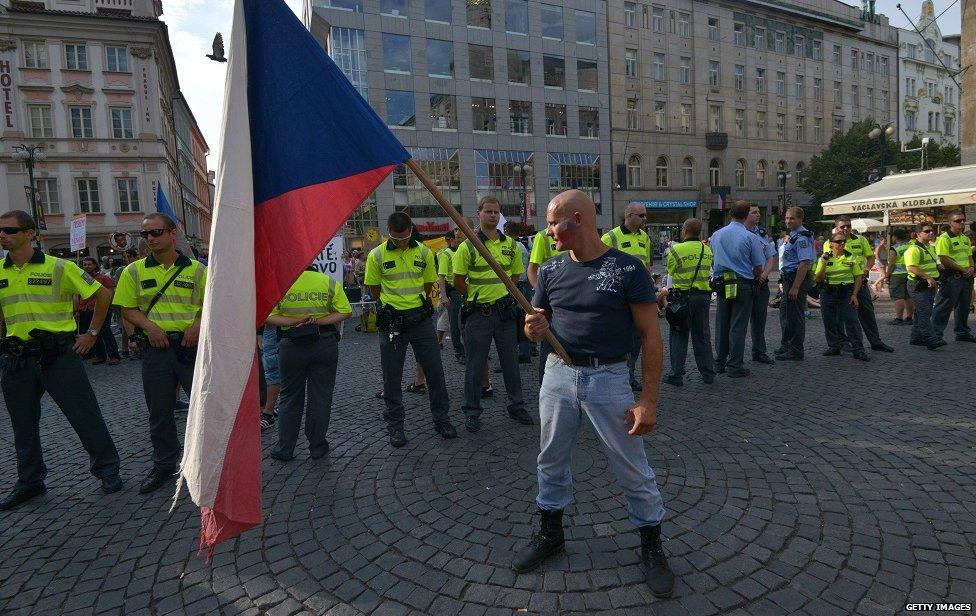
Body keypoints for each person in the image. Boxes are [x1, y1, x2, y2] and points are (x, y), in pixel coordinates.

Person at [515, 189, 674, 598]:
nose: (548, 230)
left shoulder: (626, 268)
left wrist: (649, 400)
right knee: (550, 458)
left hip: (609, 378)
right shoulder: (549, 270)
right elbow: (537, 323)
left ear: (579, 220)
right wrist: (532, 328)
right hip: (557, 375)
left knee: (630, 465)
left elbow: (651, 336)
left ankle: (651, 545)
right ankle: (551, 533)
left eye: (554, 222)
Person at [0, 211, 122, 510]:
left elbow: (103, 294)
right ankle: (30, 481)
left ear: (29, 234)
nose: (2, 235)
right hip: (17, 357)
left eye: (9, 230)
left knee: (84, 414)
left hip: (56, 354)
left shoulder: (59, 266)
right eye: (0, 230)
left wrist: (92, 333)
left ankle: (108, 470)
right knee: (22, 425)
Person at [114, 213, 207, 494]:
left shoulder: (197, 269)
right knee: (160, 410)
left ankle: (208, 461)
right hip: (156, 350)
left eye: (156, 232)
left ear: (172, 233)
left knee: (204, 408)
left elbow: (212, 303)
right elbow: (127, 308)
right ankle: (164, 464)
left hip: (191, 348)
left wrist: (196, 325)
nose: (151, 239)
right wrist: (149, 328)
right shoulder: (134, 271)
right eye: (146, 235)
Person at [365, 212, 456, 447]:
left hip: (420, 320)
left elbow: (428, 284)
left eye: (405, 238)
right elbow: (374, 289)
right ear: (388, 233)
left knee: (435, 372)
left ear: (411, 231)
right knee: (391, 377)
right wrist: (392, 305)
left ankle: (442, 420)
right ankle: (395, 426)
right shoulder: (376, 255)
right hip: (392, 323)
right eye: (396, 239)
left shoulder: (424, 252)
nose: (401, 242)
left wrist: (411, 303)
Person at [453, 197, 531, 433]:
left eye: (496, 212)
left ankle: (516, 406)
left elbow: (515, 276)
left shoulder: (511, 245)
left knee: (511, 363)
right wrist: (477, 296)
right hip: (480, 314)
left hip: (504, 313)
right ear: (479, 213)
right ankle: (472, 411)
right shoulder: (468, 246)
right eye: (488, 211)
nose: (493, 216)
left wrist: (502, 295)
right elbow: (457, 281)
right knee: (475, 365)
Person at [265, 265, 352, 461]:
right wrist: (319, 321)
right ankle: (317, 447)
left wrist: (293, 321)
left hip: (291, 345)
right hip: (324, 342)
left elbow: (267, 317)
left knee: (289, 397)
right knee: (320, 396)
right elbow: (345, 312)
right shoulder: (327, 282)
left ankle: (285, 448)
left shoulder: (281, 284)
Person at [710, 202, 766, 378]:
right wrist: (757, 276)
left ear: (730, 214)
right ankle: (735, 365)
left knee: (722, 323)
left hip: (722, 283)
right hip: (742, 283)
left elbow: (713, 258)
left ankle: (719, 362)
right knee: (738, 325)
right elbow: (758, 265)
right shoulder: (750, 237)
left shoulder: (716, 235)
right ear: (746, 215)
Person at [601, 202, 653, 391]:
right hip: (618, 297)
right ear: (629, 215)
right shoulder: (610, 237)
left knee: (637, 338)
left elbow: (647, 266)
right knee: (619, 337)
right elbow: (602, 267)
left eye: (645, 215)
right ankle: (616, 376)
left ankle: (629, 375)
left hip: (638, 296)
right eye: (641, 216)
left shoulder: (644, 237)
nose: (645, 219)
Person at [827, 215, 894, 353]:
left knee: (867, 313)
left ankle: (875, 341)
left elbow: (870, 257)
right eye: (842, 226)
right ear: (836, 228)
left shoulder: (861, 239)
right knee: (842, 316)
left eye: (848, 226)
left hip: (860, 282)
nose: (846, 228)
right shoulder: (832, 241)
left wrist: (866, 269)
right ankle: (844, 342)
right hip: (842, 284)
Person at [663, 218, 715, 386]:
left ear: (684, 230)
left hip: (682, 298)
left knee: (679, 334)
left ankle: (676, 375)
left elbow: (671, 271)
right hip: (702, 297)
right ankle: (708, 373)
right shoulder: (706, 249)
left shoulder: (676, 249)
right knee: (702, 335)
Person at [814, 232, 870, 361]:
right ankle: (834, 346)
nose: (842, 243)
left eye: (843, 241)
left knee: (851, 321)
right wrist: (823, 262)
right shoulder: (824, 258)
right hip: (828, 291)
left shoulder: (851, 257)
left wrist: (855, 294)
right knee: (829, 320)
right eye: (839, 241)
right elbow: (818, 278)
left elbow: (858, 277)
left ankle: (858, 349)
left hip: (846, 292)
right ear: (831, 243)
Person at [776, 207, 816, 361]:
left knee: (795, 315)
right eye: (786, 218)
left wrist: (795, 286)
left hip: (796, 278)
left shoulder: (801, 238)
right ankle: (787, 345)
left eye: (792, 218)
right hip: (789, 278)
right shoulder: (794, 235)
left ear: (800, 220)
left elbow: (804, 263)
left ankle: (796, 350)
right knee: (786, 313)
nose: (788, 221)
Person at [931, 211, 975, 343]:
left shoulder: (965, 238)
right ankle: (936, 335)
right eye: (958, 221)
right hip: (952, 277)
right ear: (950, 222)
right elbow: (944, 258)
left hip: (966, 277)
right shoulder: (944, 238)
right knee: (943, 307)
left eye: (963, 220)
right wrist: (963, 269)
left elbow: (969, 257)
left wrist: (972, 268)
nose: (961, 223)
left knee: (964, 306)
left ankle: (962, 332)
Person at [527, 227, 564, 381]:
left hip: (570, 300)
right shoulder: (542, 236)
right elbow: (532, 269)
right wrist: (540, 292)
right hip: (551, 303)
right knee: (549, 345)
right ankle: (546, 384)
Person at [904, 223, 944, 350]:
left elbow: (928, 264)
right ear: (918, 234)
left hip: (929, 284)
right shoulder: (914, 249)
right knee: (925, 312)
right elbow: (911, 267)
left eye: (932, 231)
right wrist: (927, 277)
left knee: (922, 311)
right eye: (927, 231)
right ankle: (931, 339)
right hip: (918, 285)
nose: (931, 233)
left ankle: (916, 337)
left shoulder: (929, 247)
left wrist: (938, 268)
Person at [745, 204, 777, 365]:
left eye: (758, 212)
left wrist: (764, 274)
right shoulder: (740, 233)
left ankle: (759, 351)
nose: (758, 215)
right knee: (739, 321)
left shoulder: (761, 233)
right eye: (754, 213)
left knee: (759, 319)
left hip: (761, 282)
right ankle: (733, 355)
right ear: (746, 215)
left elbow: (770, 257)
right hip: (745, 280)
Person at [77, 256, 122, 365]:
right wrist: (77, 309)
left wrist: (107, 306)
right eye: (84, 265)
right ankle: (100, 354)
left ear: (95, 265)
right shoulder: (81, 279)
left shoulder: (103, 278)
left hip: (100, 308)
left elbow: (109, 294)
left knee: (105, 331)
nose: (87, 266)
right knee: (91, 332)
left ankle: (114, 355)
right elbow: (77, 295)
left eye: (89, 264)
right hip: (85, 308)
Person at [505, 221, 534, 363]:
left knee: (515, 320)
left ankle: (522, 353)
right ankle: (528, 349)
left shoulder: (511, 247)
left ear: (506, 231)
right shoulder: (523, 246)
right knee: (524, 317)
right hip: (525, 284)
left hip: (516, 286)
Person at [437, 230, 465, 364]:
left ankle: (469, 349)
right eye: (457, 239)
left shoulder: (462, 251)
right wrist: (444, 297)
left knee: (465, 322)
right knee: (454, 323)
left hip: (464, 289)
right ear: (450, 240)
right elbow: (441, 277)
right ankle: (459, 351)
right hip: (452, 291)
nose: (459, 241)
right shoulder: (445, 254)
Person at [883, 228, 914, 325]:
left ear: (895, 237)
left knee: (898, 297)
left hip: (897, 275)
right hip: (910, 273)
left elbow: (891, 264)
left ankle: (899, 319)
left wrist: (887, 276)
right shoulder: (912, 245)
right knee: (908, 297)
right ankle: (909, 318)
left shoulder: (895, 248)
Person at [259, 324, 281, 431]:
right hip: (272, 327)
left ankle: (268, 413)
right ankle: (274, 409)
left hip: (273, 327)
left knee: (272, 370)